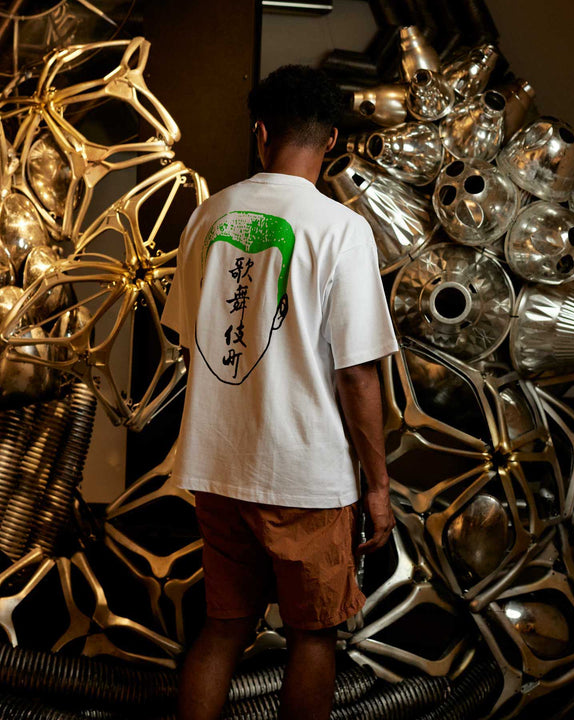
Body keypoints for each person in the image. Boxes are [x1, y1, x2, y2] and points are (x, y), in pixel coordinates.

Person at [161, 64, 399, 720]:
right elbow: (357, 373)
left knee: (223, 628)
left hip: (217, 467)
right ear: (331, 141)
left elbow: (190, 338)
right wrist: (378, 487)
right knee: (312, 636)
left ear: (261, 132)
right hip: (306, 477)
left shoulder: (207, 216)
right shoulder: (341, 229)